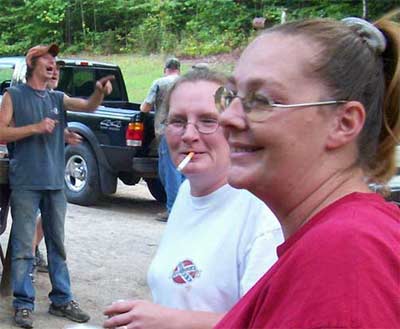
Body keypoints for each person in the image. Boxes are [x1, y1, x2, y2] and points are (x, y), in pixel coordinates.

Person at [213, 13, 400, 328]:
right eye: (231, 96)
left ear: (343, 123)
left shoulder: (345, 254)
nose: (227, 118)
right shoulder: (338, 241)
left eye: (260, 100)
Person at [103, 69, 283, 329]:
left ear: (235, 127)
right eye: (177, 121)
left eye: (208, 121)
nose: (188, 134)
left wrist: (168, 320)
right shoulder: (188, 193)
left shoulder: (262, 217)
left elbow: (266, 323)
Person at [0, 43, 113, 329]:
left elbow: (87, 105)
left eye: (54, 60)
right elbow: (1, 132)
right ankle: (24, 304)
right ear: (33, 64)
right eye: (47, 59)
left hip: (54, 184)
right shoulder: (13, 95)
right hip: (26, 182)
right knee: (25, 247)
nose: (53, 63)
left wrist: (99, 91)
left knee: (57, 246)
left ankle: (62, 300)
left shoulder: (57, 97)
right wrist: (35, 128)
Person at [32, 60, 82, 277]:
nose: (54, 74)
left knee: (52, 217)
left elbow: (53, 131)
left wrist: (65, 136)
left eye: (57, 70)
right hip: (30, 170)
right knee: (25, 217)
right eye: (49, 69)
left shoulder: (59, 99)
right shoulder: (26, 97)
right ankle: (27, 259)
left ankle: (32, 249)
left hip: (54, 171)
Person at [140, 57, 185, 221]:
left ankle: (173, 210)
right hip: (188, 131)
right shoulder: (187, 83)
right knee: (184, 170)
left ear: (165, 69)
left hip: (167, 130)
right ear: (178, 69)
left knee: (169, 171)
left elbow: (145, 107)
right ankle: (186, 208)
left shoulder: (160, 82)